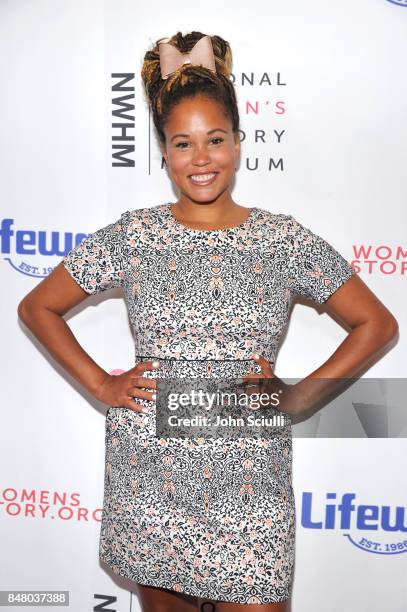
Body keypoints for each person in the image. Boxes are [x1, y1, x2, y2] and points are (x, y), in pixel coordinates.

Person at [17, 30, 398, 612]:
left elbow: (377, 323)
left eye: (215, 140)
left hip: (251, 478)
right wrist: (101, 383)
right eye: (182, 144)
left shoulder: (281, 239)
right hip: (153, 470)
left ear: (240, 144)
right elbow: (36, 306)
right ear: (164, 152)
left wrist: (297, 400)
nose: (201, 160)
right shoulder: (136, 234)